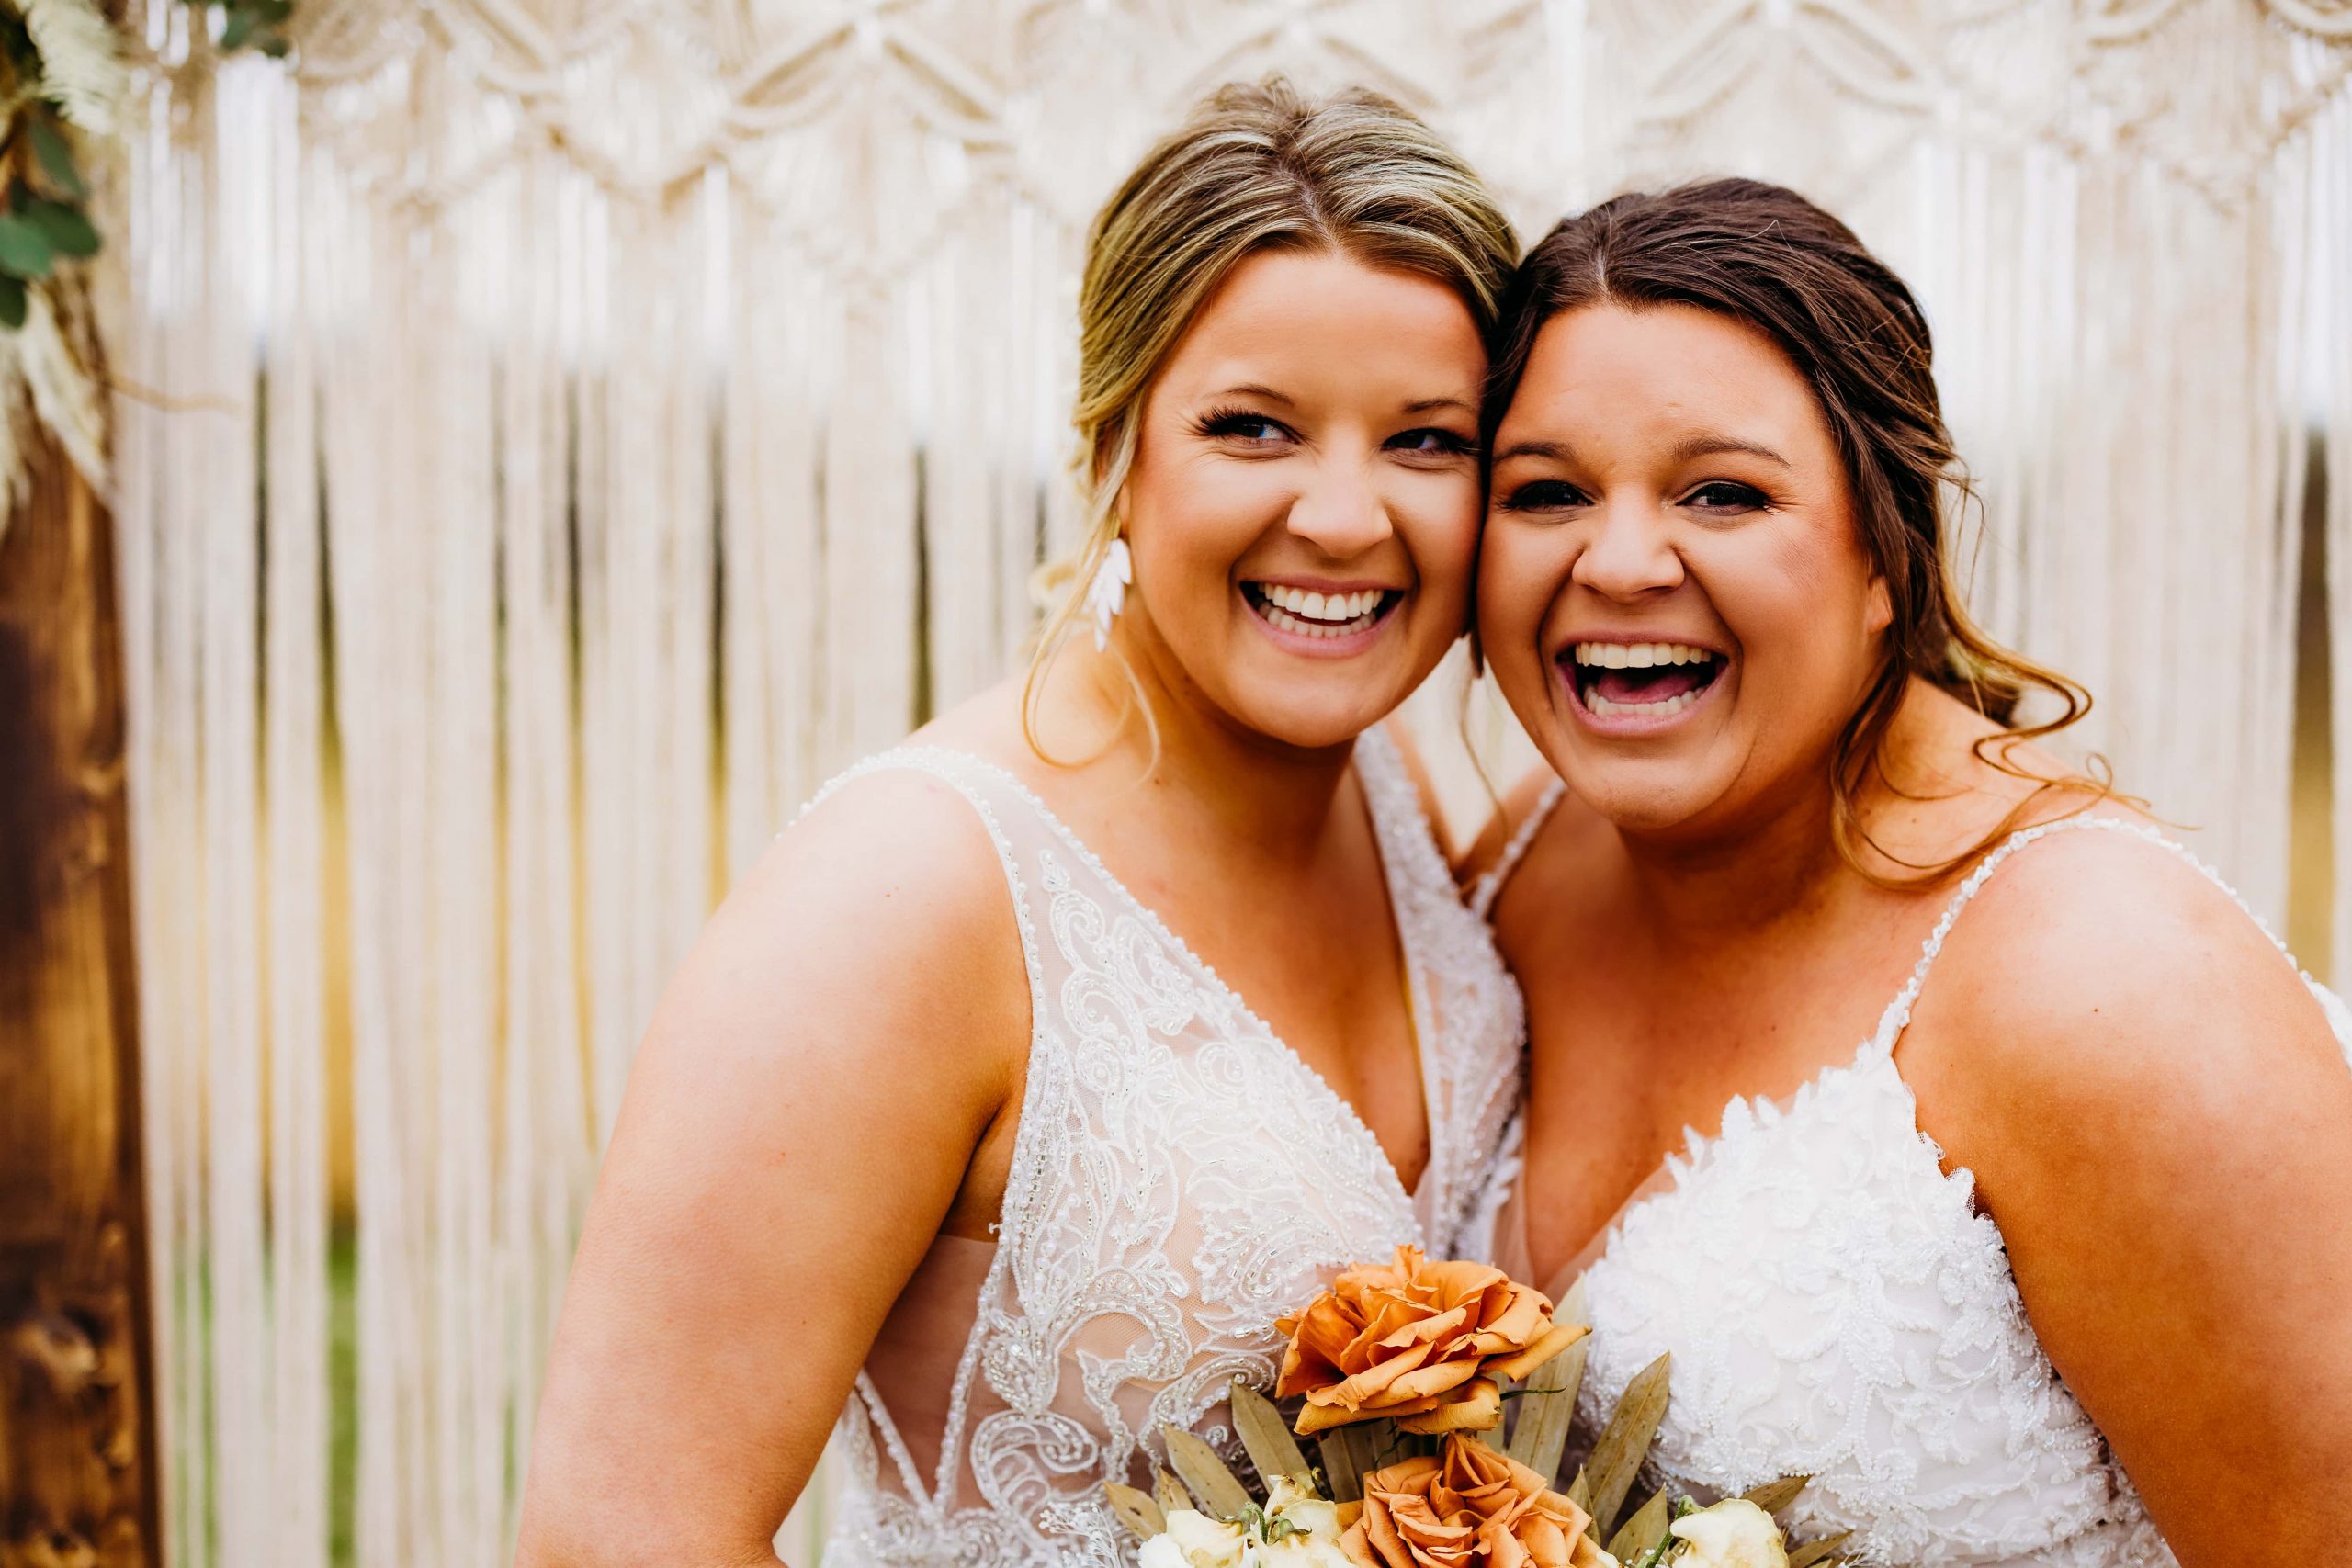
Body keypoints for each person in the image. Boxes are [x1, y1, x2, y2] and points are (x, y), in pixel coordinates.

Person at [515, 79, 1525, 1568]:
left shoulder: (1406, 805)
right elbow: (617, 1534)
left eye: (1426, 441)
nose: (1344, 516)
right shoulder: (908, 893)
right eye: (1252, 428)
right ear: (1117, 449)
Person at [1465, 178, 2352, 1567]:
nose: (1621, 560)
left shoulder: (2105, 980)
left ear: (1889, 549)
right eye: (1545, 492)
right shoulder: (1522, 860)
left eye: (1723, 491)